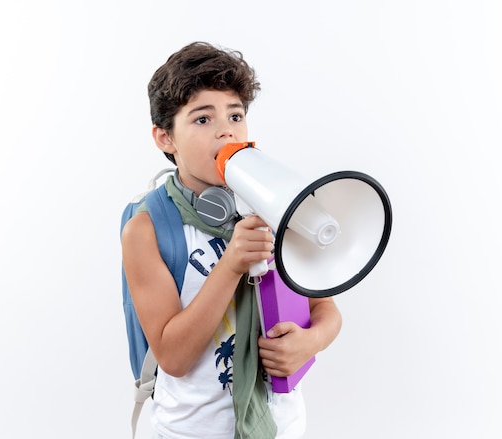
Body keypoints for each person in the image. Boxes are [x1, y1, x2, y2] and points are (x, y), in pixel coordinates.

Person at [121, 41, 342, 439]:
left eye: (236, 115)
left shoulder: (272, 203)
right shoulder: (147, 228)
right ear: (164, 138)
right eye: (202, 119)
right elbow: (173, 356)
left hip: (282, 429)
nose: (226, 129)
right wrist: (232, 264)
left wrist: (310, 342)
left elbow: (325, 307)